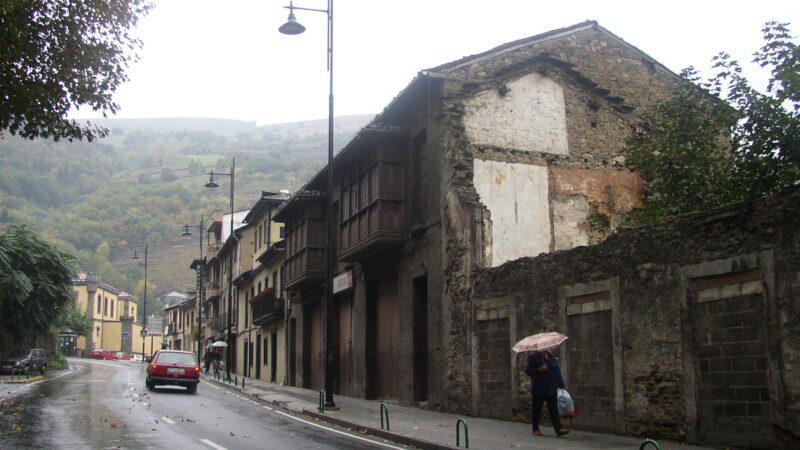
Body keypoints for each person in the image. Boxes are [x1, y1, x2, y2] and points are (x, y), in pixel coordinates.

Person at [525, 349, 570, 437]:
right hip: (539, 388)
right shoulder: (533, 357)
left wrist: (561, 384)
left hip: (551, 387)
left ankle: (558, 428)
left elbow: (556, 371)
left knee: (554, 409)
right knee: (537, 409)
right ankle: (535, 428)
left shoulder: (551, 356)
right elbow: (528, 371)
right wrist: (539, 369)